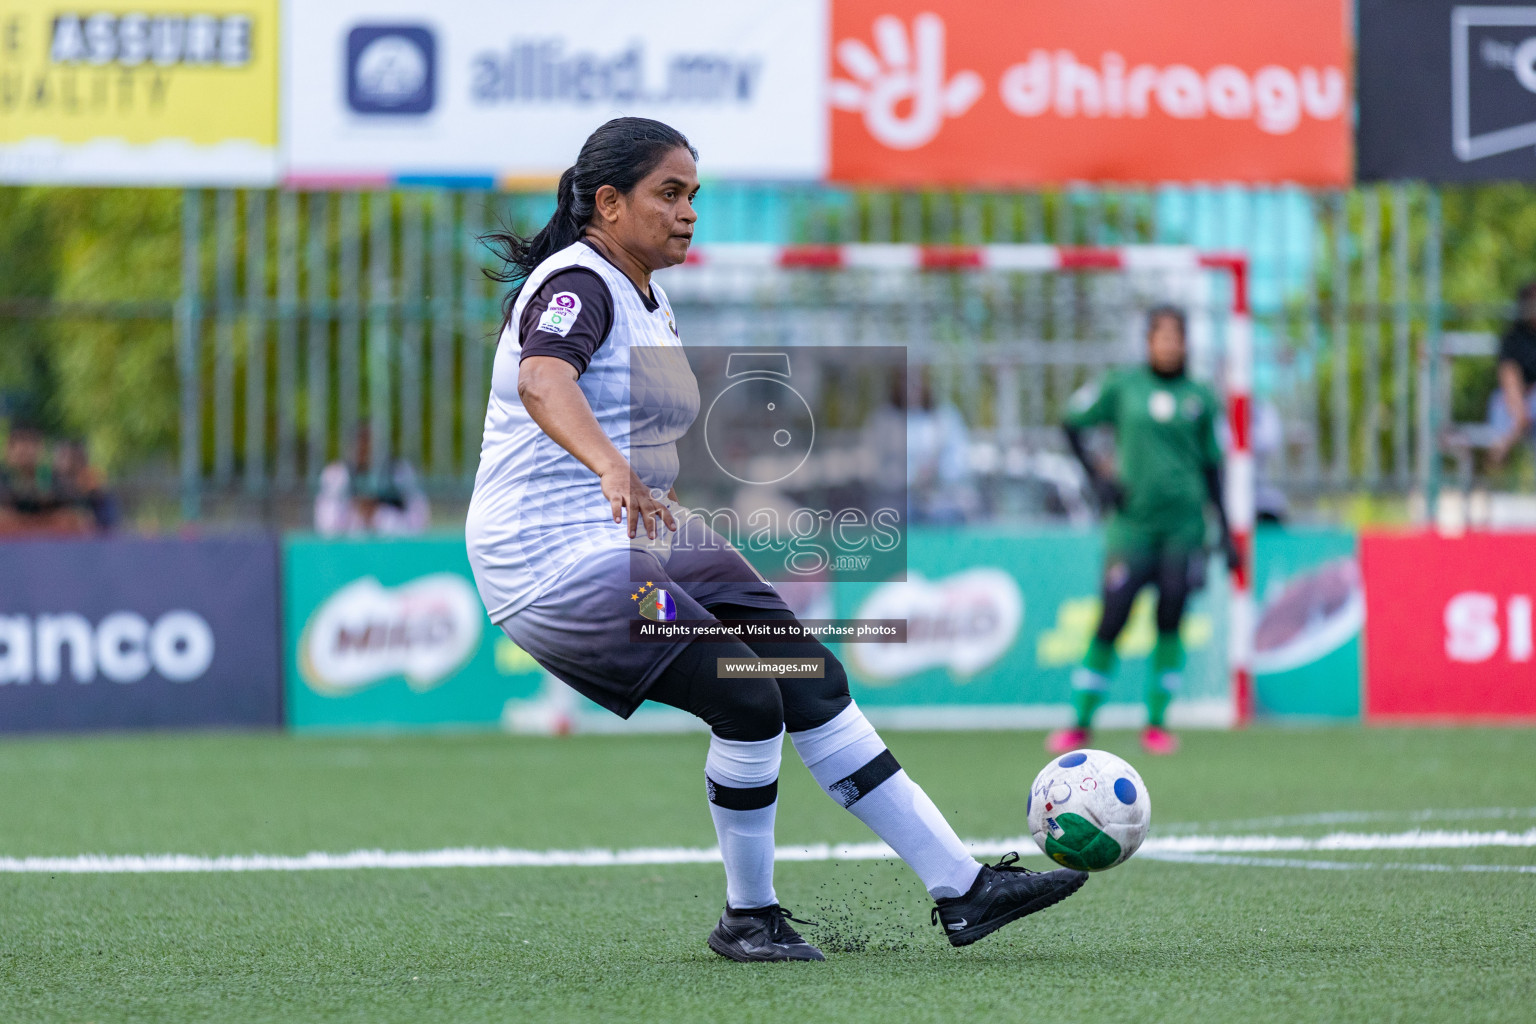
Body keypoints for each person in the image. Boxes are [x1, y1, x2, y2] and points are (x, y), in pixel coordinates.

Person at [466, 117, 1086, 963]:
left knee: (807, 672)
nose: (688, 212)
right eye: (669, 194)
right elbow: (544, 380)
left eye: (694, 195)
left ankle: (964, 890)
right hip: (550, 564)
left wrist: (643, 475)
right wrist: (614, 470)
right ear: (607, 203)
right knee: (747, 697)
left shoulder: (647, 293)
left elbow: (625, 416)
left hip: (635, 536)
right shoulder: (579, 281)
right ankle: (747, 920)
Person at [1051, 305, 1239, 757]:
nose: (1170, 344)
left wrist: (1227, 531)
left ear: (1186, 343)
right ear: (1149, 340)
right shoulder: (1122, 386)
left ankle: (1156, 723)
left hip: (1184, 527)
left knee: (1170, 616)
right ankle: (1080, 721)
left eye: (1177, 336)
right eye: (1162, 336)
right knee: (1113, 617)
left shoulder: (1201, 397)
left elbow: (1214, 468)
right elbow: (1071, 422)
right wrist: (1098, 477)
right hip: (1131, 528)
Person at [314, 424, 430, 536]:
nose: (366, 451)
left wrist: (379, 514)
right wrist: (358, 512)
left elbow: (418, 522)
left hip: (393, 546)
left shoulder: (399, 473)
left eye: (372, 445)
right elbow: (326, 526)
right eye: (362, 445)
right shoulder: (336, 475)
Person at [1487, 280, 1536, 468]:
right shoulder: (1513, 338)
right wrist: (1518, 409)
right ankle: (1493, 468)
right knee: (1499, 404)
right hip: (1516, 400)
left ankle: (1499, 453)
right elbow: (1509, 376)